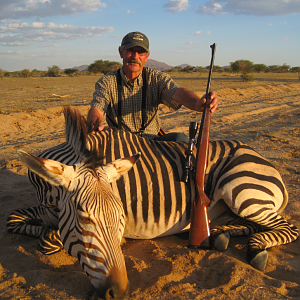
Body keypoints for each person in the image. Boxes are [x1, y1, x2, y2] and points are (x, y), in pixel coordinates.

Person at [87, 31, 218, 142]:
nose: (135, 57)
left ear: (147, 56)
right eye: (130, 51)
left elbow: (177, 92)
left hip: (152, 142)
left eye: (140, 52)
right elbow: (97, 107)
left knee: (180, 139)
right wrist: (95, 124)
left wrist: (197, 103)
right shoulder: (107, 82)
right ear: (121, 52)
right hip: (121, 144)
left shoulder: (156, 78)